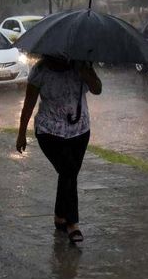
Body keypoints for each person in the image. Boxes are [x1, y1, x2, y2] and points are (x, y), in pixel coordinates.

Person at [16, 55, 102, 243]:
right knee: (68, 170)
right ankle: (72, 224)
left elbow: (97, 89)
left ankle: (59, 216)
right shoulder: (40, 71)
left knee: (68, 174)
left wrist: (85, 71)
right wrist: (21, 132)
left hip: (80, 131)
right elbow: (29, 103)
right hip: (49, 132)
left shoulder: (80, 65)